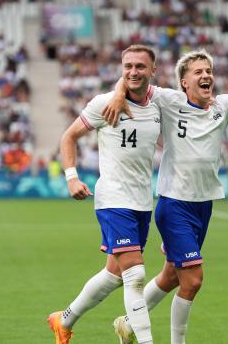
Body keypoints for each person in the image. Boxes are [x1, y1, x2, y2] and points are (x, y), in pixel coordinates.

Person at [104, 14, 228, 344]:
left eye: (209, 71)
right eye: (198, 72)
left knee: (173, 275)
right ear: (184, 82)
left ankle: (128, 323)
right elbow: (133, 79)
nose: (206, 76)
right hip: (174, 205)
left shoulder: (223, 107)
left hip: (204, 206)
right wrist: (116, 95)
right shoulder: (169, 101)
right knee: (194, 280)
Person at [47, 45, 161, 344]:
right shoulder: (102, 104)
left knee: (113, 275)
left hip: (141, 201)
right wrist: (71, 178)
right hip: (113, 199)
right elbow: (68, 136)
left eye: (140, 66)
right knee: (135, 276)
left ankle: (64, 319)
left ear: (153, 70)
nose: (133, 71)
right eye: (128, 66)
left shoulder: (161, 102)